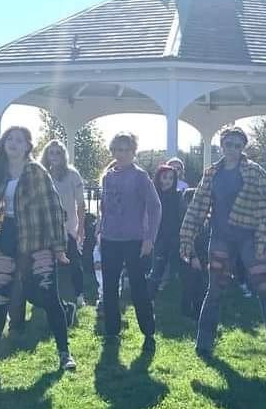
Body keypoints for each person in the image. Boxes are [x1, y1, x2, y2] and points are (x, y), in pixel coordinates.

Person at [0, 127, 76, 371]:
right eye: (10, 139)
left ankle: (65, 354)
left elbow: (52, 209)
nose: (14, 144)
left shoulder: (36, 172)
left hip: (37, 241)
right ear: (3, 144)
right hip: (7, 240)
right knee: (1, 298)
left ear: (28, 146)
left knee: (49, 297)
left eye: (19, 140)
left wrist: (59, 249)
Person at [180, 126, 266, 358]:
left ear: (243, 148)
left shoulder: (255, 172)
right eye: (229, 144)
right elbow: (198, 206)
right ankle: (204, 345)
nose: (232, 149)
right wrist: (187, 236)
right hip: (220, 238)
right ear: (222, 145)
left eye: (238, 146)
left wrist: (262, 240)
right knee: (215, 290)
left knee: (263, 287)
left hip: (249, 238)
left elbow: (263, 210)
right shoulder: (212, 173)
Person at [96, 132, 161, 351]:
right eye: (117, 150)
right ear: (112, 152)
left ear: (133, 152)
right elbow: (104, 207)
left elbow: (155, 207)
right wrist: (99, 229)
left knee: (137, 286)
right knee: (110, 286)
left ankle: (148, 329)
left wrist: (149, 238)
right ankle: (112, 331)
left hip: (134, 239)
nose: (121, 154)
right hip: (109, 238)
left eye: (126, 150)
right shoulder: (107, 176)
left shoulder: (140, 176)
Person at [41, 140, 88, 307]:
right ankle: (47, 296)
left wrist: (81, 228)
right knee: (45, 263)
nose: (54, 156)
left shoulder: (73, 175)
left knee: (74, 262)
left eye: (58, 153)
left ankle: (80, 295)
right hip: (45, 228)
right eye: (51, 153)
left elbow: (81, 204)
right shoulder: (42, 174)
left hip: (69, 227)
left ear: (63, 155)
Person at [148, 165, 184, 297]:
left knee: (174, 265)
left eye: (171, 178)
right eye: (165, 177)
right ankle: (150, 296)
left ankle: (172, 291)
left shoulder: (178, 195)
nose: (168, 181)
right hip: (158, 237)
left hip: (175, 236)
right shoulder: (153, 195)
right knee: (157, 268)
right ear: (159, 178)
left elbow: (181, 215)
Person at [180, 188, 208, 319]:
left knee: (201, 284)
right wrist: (193, 257)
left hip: (203, 256)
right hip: (189, 255)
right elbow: (186, 239)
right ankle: (187, 310)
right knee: (190, 284)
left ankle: (199, 311)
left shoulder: (204, 218)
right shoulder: (184, 218)